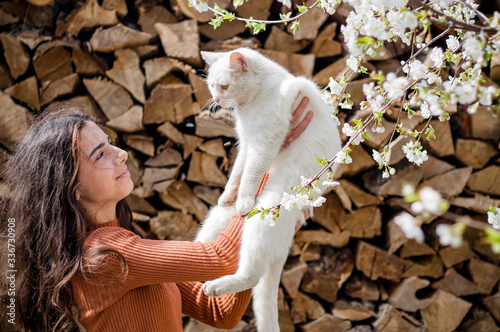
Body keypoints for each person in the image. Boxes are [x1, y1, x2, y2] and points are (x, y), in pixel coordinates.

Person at [3, 96, 312, 332]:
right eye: (100, 154)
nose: (120, 153)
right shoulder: (106, 254)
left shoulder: (121, 247)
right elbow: (221, 257)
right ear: (72, 188)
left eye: (109, 143)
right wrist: (268, 165)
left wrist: (268, 224)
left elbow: (220, 311)